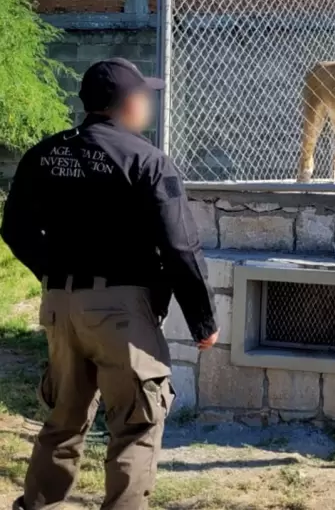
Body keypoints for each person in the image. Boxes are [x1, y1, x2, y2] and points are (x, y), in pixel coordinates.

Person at [2, 58, 219, 510]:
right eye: (145, 96)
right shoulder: (148, 160)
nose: (149, 104)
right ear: (129, 102)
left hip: (59, 306)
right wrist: (203, 320)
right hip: (122, 311)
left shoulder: (45, 153)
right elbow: (181, 247)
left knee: (62, 420)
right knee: (136, 424)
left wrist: (53, 274)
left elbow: (15, 228)